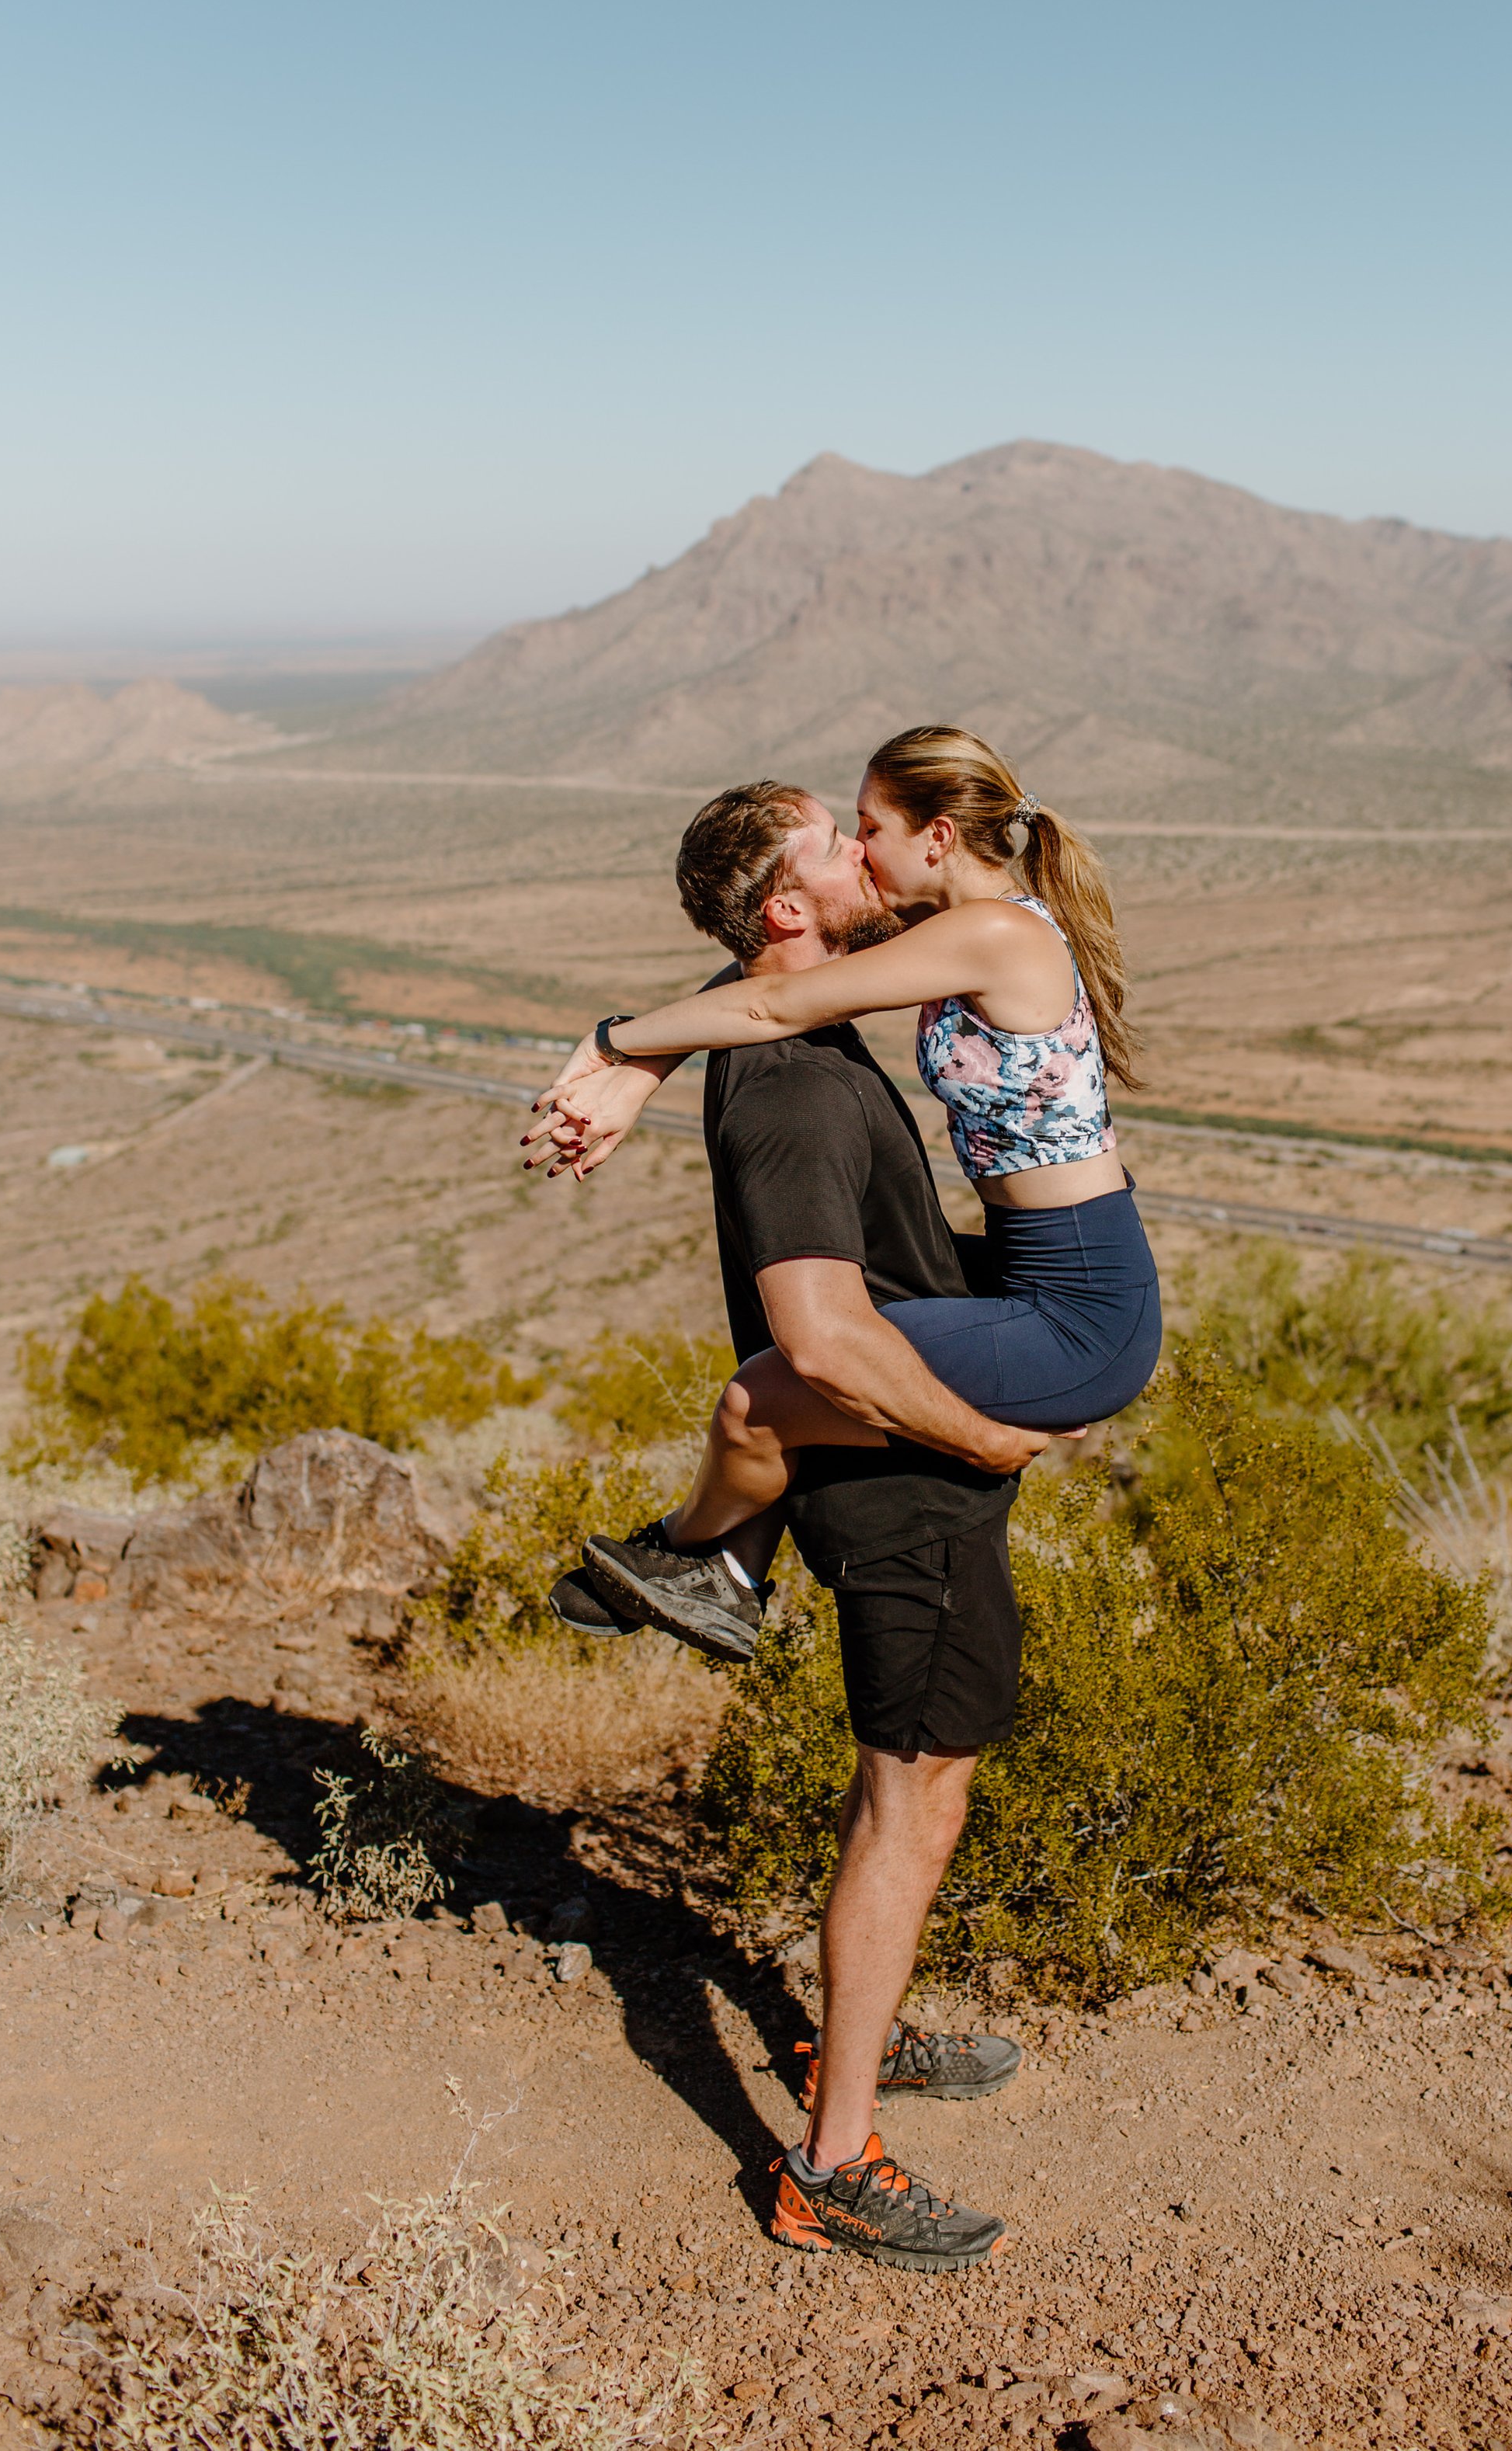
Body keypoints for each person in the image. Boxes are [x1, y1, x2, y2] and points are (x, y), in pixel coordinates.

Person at [525, 777, 1031, 2267]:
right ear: (790, 912)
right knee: (913, 1803)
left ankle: (848, 2044)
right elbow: (819, 1341)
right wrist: (989, 1431)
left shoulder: (784, 1021)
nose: (875, 850)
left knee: (913, 1793)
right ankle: (834, 2158)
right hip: (899, 1494)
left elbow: (735, 993)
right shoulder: (803, 1090)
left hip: (890, 1480)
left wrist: (624, 1058)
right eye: (839, 842)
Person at [537, 725, 1161, 1661]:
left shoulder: (988, 934)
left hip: (1077, 1301)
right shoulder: (945, 925)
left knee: (762, 1398)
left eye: (865, 827)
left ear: (938, 837)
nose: (861, 851)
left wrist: (615, 1044)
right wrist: (645, 1072)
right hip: (1034, 1267)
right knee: (810, 1382)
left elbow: (780, 1000)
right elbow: (781, 961)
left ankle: (688, 1554)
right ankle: (725, 1574)